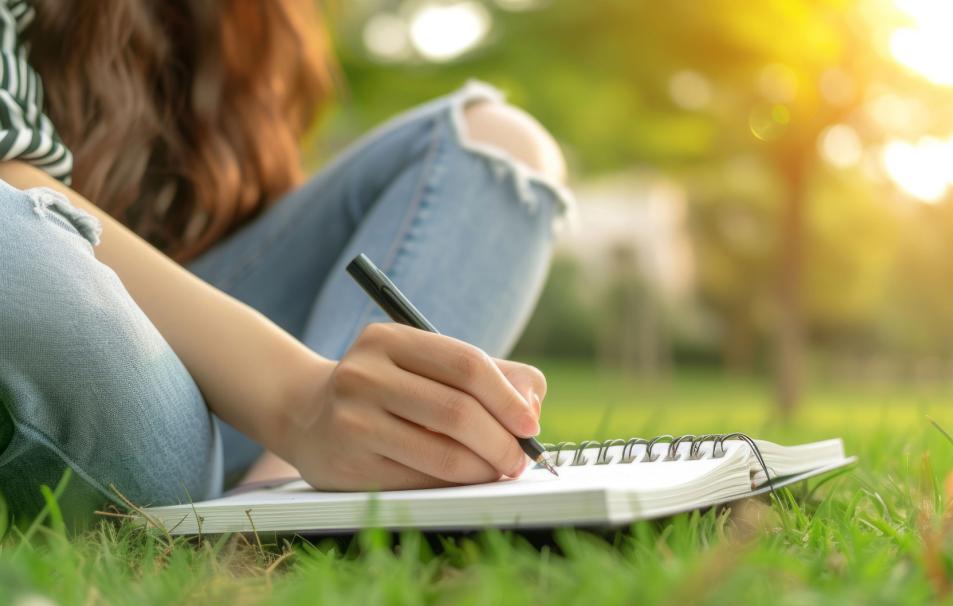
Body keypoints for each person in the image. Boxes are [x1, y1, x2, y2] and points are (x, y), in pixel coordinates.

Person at [0, 0, 573, 520]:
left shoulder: (250, 21)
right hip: (97, 355)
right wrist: (299, 400)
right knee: (157, 438)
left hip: (207, 365)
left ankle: (284, 499)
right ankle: (288, 461)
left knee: (498, 147)